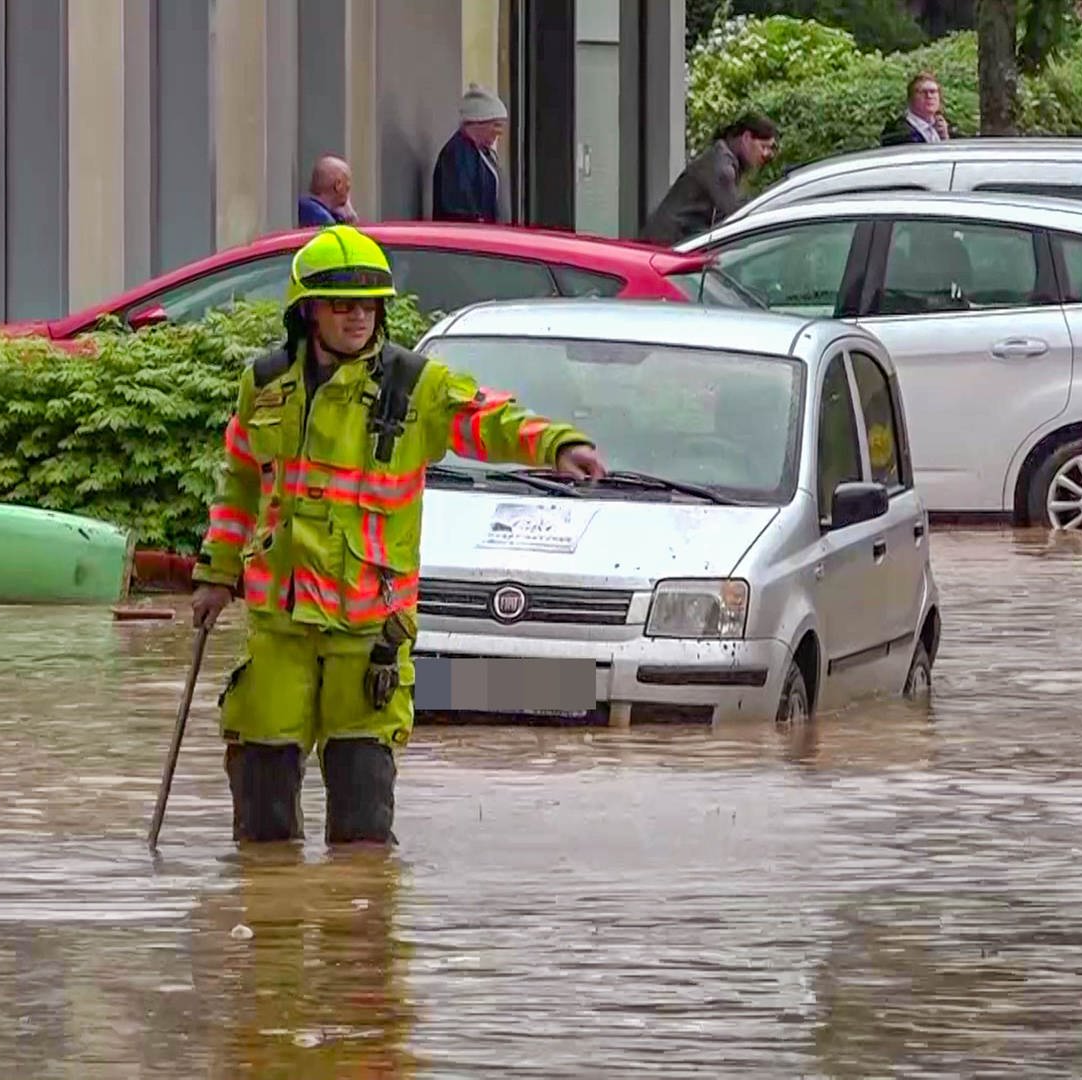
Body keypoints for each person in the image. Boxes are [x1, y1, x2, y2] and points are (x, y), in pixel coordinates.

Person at [189, 224, 606, 846]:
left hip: (368, 634)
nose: (359, 317)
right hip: (280, 628)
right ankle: (269, 935)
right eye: (343, 305)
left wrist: (557, 444)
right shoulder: (266, 383)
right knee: (262, 821)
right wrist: (216, 574)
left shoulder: (415, 387)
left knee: (361, 831)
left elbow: (490, 419)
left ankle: (357, 937)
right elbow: (240, 484)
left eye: (370, 305)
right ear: (308, 311)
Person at [640, 111, 778, 246]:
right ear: (746, 138)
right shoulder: (722, 167)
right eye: (763, 147)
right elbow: (735, 217)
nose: (766, 154)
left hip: (668, 241)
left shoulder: (721, 157)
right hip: (666, 245)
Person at [431, 84, 508, 223]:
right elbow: (458, 209)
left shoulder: (484, 154)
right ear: (478, 122)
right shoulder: (456, 156)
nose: (500, 132)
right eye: (496, 125)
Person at [879, 73, 953, 146]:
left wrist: (945, 139)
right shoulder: (897, 132)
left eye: (933, 92)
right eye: (922, 92)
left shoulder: (949, 128)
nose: (929, 96)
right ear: (911, 99)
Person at [296, 155, 358, 228]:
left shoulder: (302, 206)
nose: (348, 195)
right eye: (347, 187)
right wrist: (350, 223)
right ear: (338, 185)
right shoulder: (324, 220)